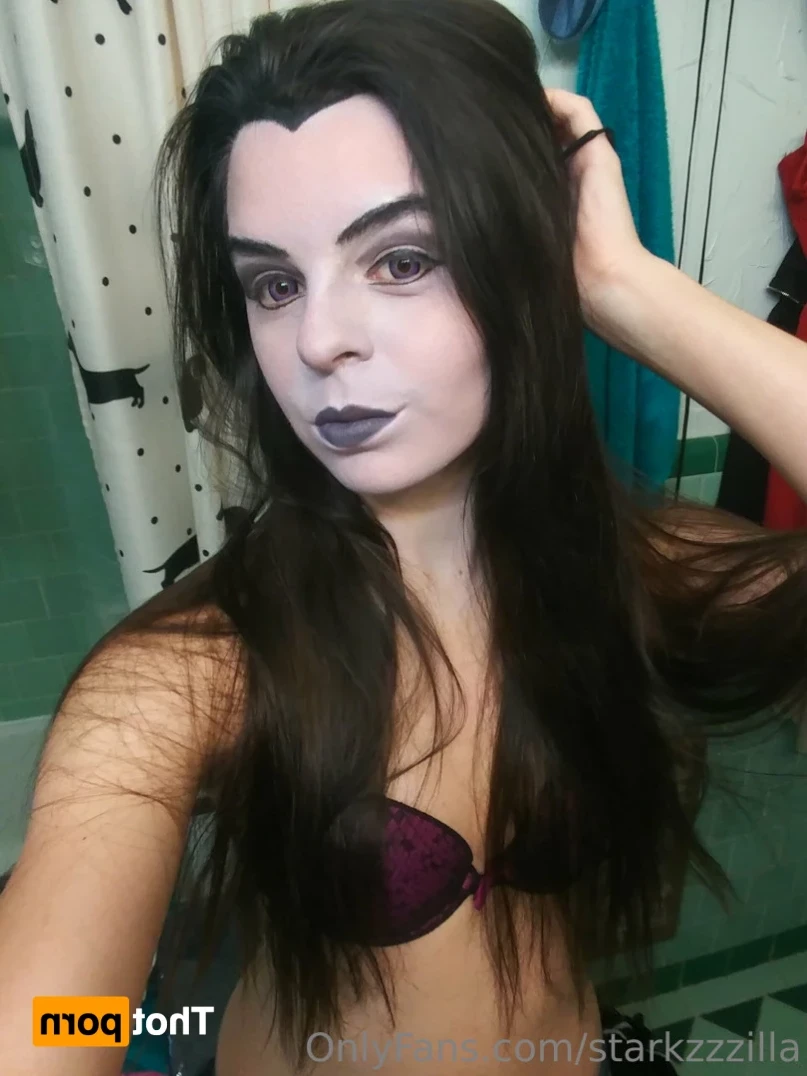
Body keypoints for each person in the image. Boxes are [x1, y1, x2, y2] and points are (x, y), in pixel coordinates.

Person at [0, 1, 805, 1074]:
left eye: (402, 259)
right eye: (274, 284)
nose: (318, 340)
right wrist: (154, 1029)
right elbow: (41, 1033)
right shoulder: (189, 674)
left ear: (522, 257)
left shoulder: (635, 571)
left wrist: (627, 286)